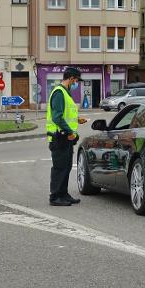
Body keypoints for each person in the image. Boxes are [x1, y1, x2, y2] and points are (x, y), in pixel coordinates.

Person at [47, 67, 88, 206]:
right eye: (76, 80)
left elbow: (65, 114)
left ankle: (63, 194)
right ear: (71, 78)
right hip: (59, 137)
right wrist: (70, 132)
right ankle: (55, 197)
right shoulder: (59, 93)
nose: (76, 83)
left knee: (66, 167)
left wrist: (77, 119)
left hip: (65, 137)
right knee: (59, 168)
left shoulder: (65, 92)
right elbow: (57, 117)